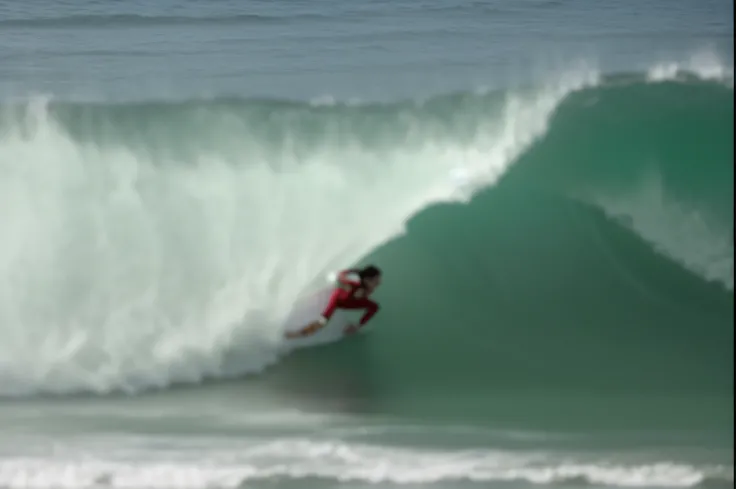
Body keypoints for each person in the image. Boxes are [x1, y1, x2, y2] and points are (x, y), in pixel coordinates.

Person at [286, 265, 382, 338]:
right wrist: (350, 271)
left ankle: (356, 326)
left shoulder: (368, 288)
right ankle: (294, 334)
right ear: (366, 280)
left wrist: (358, 325)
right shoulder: (353, 285)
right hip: (337, 300)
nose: (379, 282)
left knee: (374, 306)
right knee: (322, 323)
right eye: (376, 280)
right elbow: (340, 276)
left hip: (348, 303)